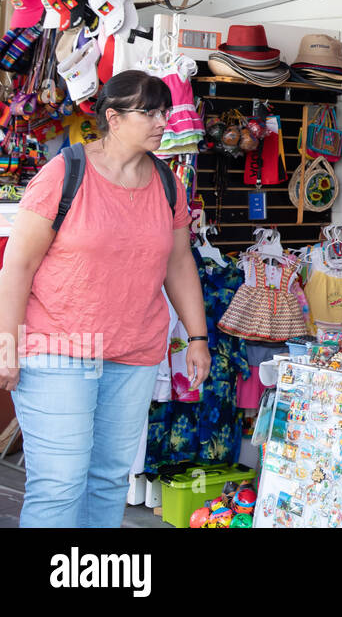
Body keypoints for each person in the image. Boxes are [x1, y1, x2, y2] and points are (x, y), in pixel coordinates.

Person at [0, 70, 209, 527]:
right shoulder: (64, 173)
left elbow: (178, 263)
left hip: (133, 351)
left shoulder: (167, 183)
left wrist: (197, 336)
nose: (162, 122)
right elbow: (16, 267)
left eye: (164, 111)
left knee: (110, 478)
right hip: (58, 346)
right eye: (150, 112)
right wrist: (7, 346)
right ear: (113, 118)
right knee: (60, 483)